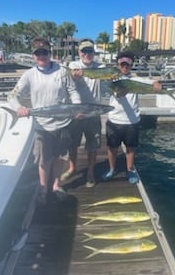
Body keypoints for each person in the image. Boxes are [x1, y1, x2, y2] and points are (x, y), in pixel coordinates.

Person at [7, 37, 81, 204]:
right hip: (41, 125)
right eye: (38, 53)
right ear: (33, 56)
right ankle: (43, 187)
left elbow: (73, 91)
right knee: (43, 159)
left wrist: (77, 108)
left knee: (60, 157)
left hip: (63, 123)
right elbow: (12, 95)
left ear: (50, 53)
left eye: (45, 52)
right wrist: (19, 108)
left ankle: (56, 184)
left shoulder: (62, 71)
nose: (42, 56)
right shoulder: (29, 75)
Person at [102, 51, 162, 184]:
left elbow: (152, 81)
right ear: (117, 65)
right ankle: (112, 169)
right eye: (122, 64)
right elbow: (110, 91)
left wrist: (156, 83)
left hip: (132, 121)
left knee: (130, 148)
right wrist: (117, 92)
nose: (124, 67)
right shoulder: (110, 79)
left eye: (127, 64)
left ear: (131, 65)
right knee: (112, 148)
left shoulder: (136, 79)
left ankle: (129, 170)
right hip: (114, 120)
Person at [60, 38, 103, 187]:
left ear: (93, 52)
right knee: (73, 143)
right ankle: (72, 168)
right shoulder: (73, 65)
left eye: (90, 51)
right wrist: (74, 76)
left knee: (93, 144)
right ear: (79, 53)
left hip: (94, 112)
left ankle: (90, 172)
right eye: (84, 51)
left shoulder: (101, 66)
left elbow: (110, 81)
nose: (87, 54)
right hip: (76, 112)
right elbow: (69, 79)